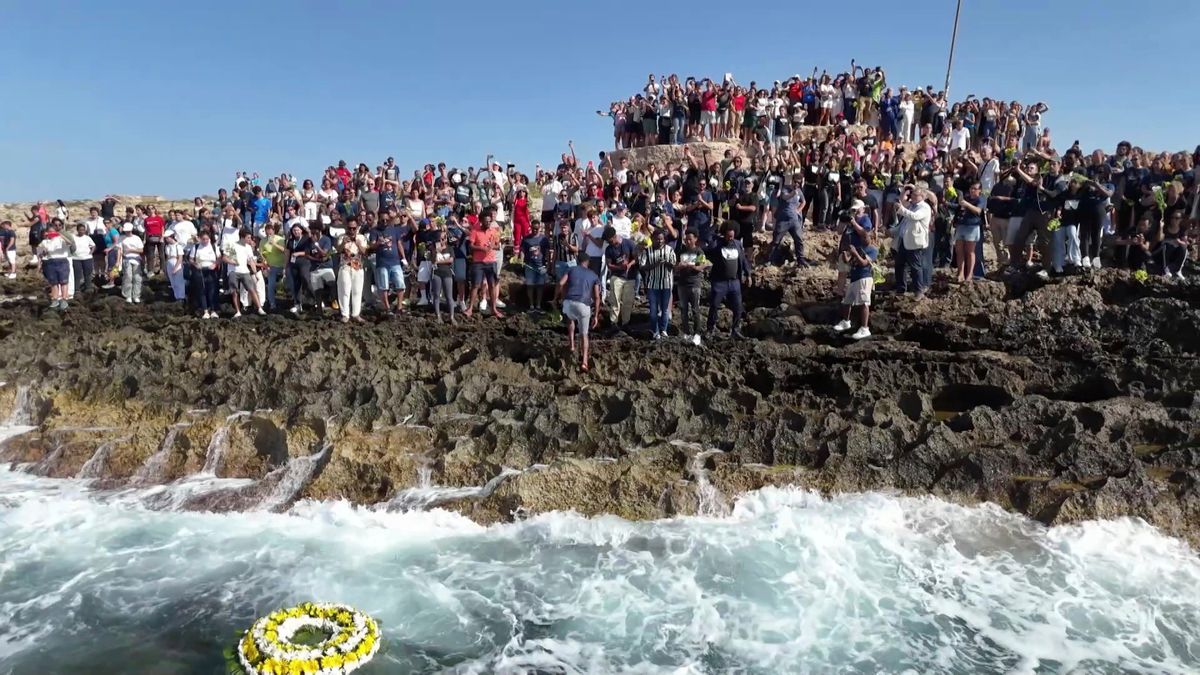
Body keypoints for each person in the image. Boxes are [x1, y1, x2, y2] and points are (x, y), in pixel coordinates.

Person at [706, 222, 751, 339]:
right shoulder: (717, 244)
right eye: (728, 236)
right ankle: (710, 329)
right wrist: (715, 227)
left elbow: (743, 260)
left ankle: (735, 330)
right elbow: (708, 239)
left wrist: (748, 274)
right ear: (724, 234)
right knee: (714, 305)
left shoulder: (737, 244)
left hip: (734, 282)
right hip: (719, 282)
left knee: (738, 307)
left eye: (732, 236)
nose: (730, 238)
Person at [557, 252, 601, 372]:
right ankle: (584, 362)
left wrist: (557, 297)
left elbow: (561, 283)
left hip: (569, 302)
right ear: (588, 262)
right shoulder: (594, 275)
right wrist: (596, 316)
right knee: (584, 334)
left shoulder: (571, 270)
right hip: (584, 304)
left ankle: (572, 345)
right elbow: (597, 297)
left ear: (577, 261)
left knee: (570, 319)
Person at [833, 229, 878, 340]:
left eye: (865, 237)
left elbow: (863, 263)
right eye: (862, 237)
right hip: (854, 278)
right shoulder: (859, 248)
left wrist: (855, 253)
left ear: (871, 238)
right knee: (847, 301)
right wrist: (845, 254)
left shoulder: (873, 250)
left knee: (864, 302)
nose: (862, 239)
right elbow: (849, 261)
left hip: (864, 277)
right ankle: (846, 321)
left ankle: (864, 328)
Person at [893, 183, 933, 298]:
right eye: (913, 194)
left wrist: (901, 209)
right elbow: (905, 221)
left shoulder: (924, 207)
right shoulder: (911, 206)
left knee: (915, 267)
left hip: (915, 242)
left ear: (922, 196)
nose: (913, 197)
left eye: (916, 195)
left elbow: (914, 216)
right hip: (905, 240)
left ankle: (919, 291)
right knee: (899, 265)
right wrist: (893, 231)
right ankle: (901, 289)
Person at [639, 229, 677, 340]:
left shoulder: (669, 250)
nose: (659, 241)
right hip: (652, 284)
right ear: (652, 239)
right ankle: (655, 331)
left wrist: (666, 263)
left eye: (661, 239)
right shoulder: (647, 251)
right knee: (653, 311)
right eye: (657, 239)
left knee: (665, 309)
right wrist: (655, 264)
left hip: (666, 283)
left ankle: (663, 330)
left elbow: (674, 266)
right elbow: (642, 266)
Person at [675, 228, 708, 345]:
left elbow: (702, 266)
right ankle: (686, 332)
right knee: (683, 309)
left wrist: (691, 265)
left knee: (695, 309)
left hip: (694, 284)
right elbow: (676, 267)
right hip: (682, 284)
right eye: (686, 239)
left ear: (695, 239)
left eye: (690, 239)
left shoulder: (699, 252)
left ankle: (697, 334)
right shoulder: (682, 251)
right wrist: (680, 266)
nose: (688, 241)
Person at [369, 214, 406, 315]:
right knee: (383, 286)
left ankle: (399, 307)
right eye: (382, 220)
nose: (385, 222)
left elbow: (399, 244)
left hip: (395, 261)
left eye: (387, 220)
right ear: (379, 220)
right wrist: (378, 243)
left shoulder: (394, 230)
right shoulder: (374, 231)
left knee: (400, 284)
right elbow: (371, 245)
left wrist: (403, 258)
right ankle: (387, 308)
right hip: (382, 262)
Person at [223, 229, 265, 317]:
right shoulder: (232, 245)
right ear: (242, 237)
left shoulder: (248, 247)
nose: (250, 240)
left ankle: (259, 308)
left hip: (245, 271)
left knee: (252, 289)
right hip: (233, 271)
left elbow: (251, 261)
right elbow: (225, 258)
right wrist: (232, 262)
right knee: (234, 291)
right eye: (248, 238)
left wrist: (255, 273)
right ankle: (238, 311)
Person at [602, 225, 637, 332]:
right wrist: (620, 267)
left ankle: (626, 323)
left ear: (615, 236)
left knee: (628, 301)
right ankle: (614, 323)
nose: (609, 243)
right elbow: (609, 264)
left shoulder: (629, 243)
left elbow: (636, 258)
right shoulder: (609, 249)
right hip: (616, 276)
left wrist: (629, 265)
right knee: (615, 300)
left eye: (610, 241)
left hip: (630, 276)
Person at [769, 172, 807, 265]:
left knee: (799, 239)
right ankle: (771, 259)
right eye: (795, 182)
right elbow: (785, 197)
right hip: (783, 219)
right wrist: (793, 193)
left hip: (794, 220)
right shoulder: (785, 188)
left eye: (799, 182)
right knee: (776, 239)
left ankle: (800, 259)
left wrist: (798, 210)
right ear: (792, 181)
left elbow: (804, 202)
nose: (797, 184)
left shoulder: (799, 191)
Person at [336, 218, 369, 323]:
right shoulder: (342, 237)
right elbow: (338, 250)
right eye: (349, 228)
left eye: (354, 228)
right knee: (344, 291)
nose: (351, 230)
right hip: (345, 266)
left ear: (357, 228)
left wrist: (357, 243)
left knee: (357, 291)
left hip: (358, 267)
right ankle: (345, 314)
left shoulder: (361, 237)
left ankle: (356, 314)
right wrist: (343, 243)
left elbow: (365, 252)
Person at [952, 182, 984, 283]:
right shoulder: (966, 198)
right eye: (971, 188)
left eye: (975, 189)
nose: (972, 190)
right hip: (961, 225)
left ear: (980, 190)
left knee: (970, 251)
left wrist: (967, 205)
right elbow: (959, 209)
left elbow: (978, 211)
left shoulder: (980, 199)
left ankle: (970, 274)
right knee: (959, 250)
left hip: (972, 226)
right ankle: (960, 273)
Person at [37, 220, 72, 310]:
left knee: (64, 282)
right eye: (49, 232)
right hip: (50, 262)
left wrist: (59, 235)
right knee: (53, 282)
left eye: (53, 231)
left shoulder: (61, 239)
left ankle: (64, 299)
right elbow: (40, 253)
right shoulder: (44, 242)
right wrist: (41, 256)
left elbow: (70, 243)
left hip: (62, 261)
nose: (51, 233)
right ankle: (55, 299)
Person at [188, 229, 220, 318]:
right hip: (200, 271)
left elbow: (219, 258)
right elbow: (191, 259)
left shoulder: (213, 246)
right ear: (200, 238)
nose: (205, 241)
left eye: (207, 239)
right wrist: (195, 264)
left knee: (212, 290)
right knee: (201, 290)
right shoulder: (196, 247)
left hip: (211, 270)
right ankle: (205, 311)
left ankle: (213, 310)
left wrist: (215, 264)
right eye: (203, 239)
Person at [520, 220, 550, 311]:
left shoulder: (544, 239)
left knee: (540, 286)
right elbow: (522, 250)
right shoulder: (526, 238)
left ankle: (538, 305)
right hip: (529, 265)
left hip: (541, 265)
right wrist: (521, 260)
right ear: (531, 228)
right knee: (530, 285)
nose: (535, 230)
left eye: (536, 229)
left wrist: (548, 264)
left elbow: (547, 252)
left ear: (539, 228)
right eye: (533, 228)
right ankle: (531, 305)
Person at [258, 222, 286, 310]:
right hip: (271, 266)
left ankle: (293, 301)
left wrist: (274, 244)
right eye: (267, 232)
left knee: (288, 283)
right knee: (271, 284)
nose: (269, 233)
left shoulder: (280, 239)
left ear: (273, 231)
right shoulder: (263, 241)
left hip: (282, 265)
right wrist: (265, 263)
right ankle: (272, 303)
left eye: (270, 231)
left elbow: (285, 251)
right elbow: (261, 254)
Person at [431, 230, 457, 324]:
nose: (442, 240)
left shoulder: (450, 248)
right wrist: (437, 251)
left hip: (447, 273)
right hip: (436, 273)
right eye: (440, 239)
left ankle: (452, 317)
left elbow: (451, 260)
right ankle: (438, 316)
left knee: (449, 296)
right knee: (436, 295)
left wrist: (439, 261)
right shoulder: (434, 249)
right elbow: (433, 261)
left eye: (444, 238)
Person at [118, 222, 145, 303]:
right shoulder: (121, 238)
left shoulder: (136, 238)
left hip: (136, 259)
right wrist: (118, 261)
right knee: (128, 277)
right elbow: (119, 250)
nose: (127, 232)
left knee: (137, 277)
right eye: (126, 231)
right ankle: (128, 295)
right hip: (126, 260)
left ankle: (136, 295)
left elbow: (141, 250)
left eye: (128, 231)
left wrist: (131, 250)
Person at [69, 223, 96, 297]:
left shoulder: (87, 238)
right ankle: (77, 289)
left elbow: (93, 245)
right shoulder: (73, 237)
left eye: (83, 230)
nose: (82, 231)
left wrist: (91, 252)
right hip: (76, 258)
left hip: (87, 258)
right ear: (77, 230)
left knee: (87, 274)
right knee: (77, 274)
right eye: (80, 230)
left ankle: (88, 287)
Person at [164, 231, 186, 302]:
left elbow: (180, 258)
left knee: (179, 282)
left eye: (167, 238)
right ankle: (176, 296)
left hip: (176, 263)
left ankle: (181, 297)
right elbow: (167, 257)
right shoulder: (167, 246)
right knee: (173, 282)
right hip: (169, 262)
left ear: (171, 237)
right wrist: (166, 267)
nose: (166, 240)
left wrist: (175, 268)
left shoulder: (178, 246)